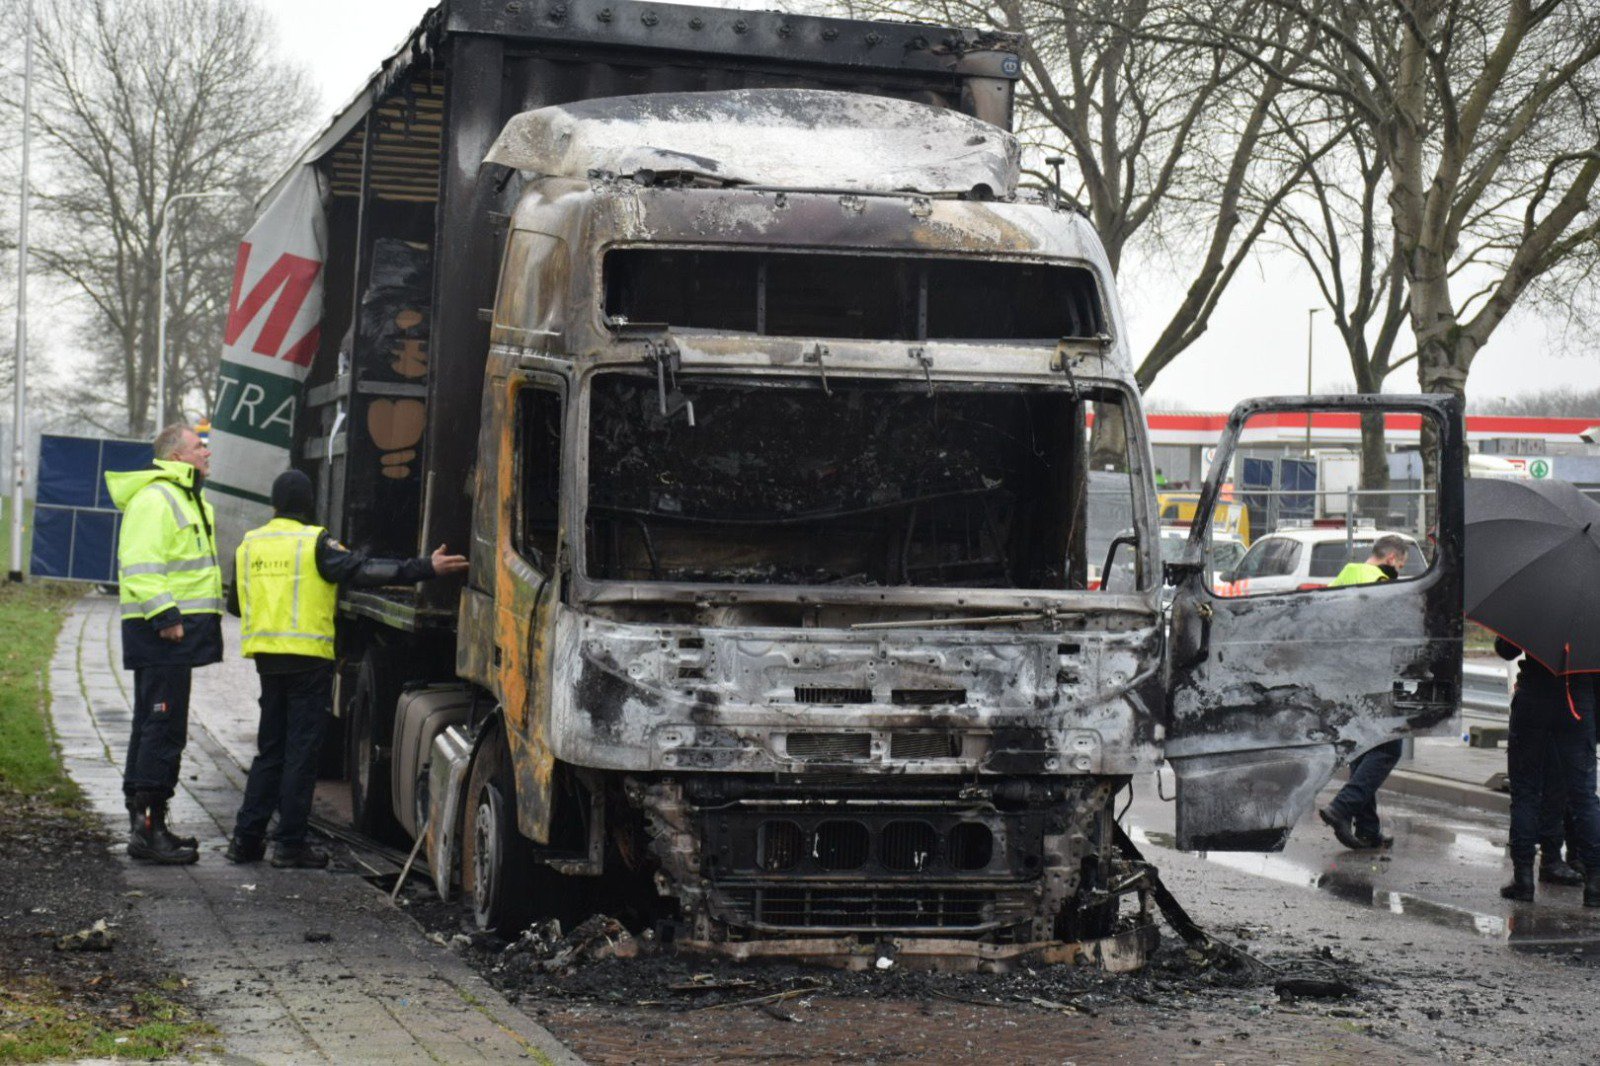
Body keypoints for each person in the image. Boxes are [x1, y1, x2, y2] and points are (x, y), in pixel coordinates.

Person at [224, 470, 469, 868]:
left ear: (274, 504)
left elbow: (235, 606)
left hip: (268, 661)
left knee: (270, 751)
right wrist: (426, 567)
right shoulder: (314, 543)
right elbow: (364, 570)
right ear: (308, 504)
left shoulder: (250, 544)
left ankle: (245, 841)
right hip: (308, 661)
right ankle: (289, 845)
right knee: (301, 753)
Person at [107, 424, 224, 865]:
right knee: (163, 727)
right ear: (177, 456)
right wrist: (165, 615)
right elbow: (139, 564)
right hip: (163, 635)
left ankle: (148, 824)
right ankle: (148, 832)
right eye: (199, 446)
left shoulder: (186, 497)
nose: (206, 452)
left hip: (170, 635)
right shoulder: (158, 499)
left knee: (153, 724)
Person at [1318, 534, 1412, 850]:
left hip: (1342, 676)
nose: (1400, 569)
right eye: (1401, 563)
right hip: (1373, 677)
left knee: (1363, 748)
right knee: (1389, 747)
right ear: (1391, 559)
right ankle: (1342, 807)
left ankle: (1368, 828)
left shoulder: (1347, 574)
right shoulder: (1383, 583)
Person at [1495, 636, 1600, 906]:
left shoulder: (1534, 598)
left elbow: (1506, 649)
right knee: (1584, 796)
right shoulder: (1592, 604)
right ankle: (1595, 884)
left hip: (1533, 698)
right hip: (1577, 700)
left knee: (1525, 792)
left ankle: (1524, 880)